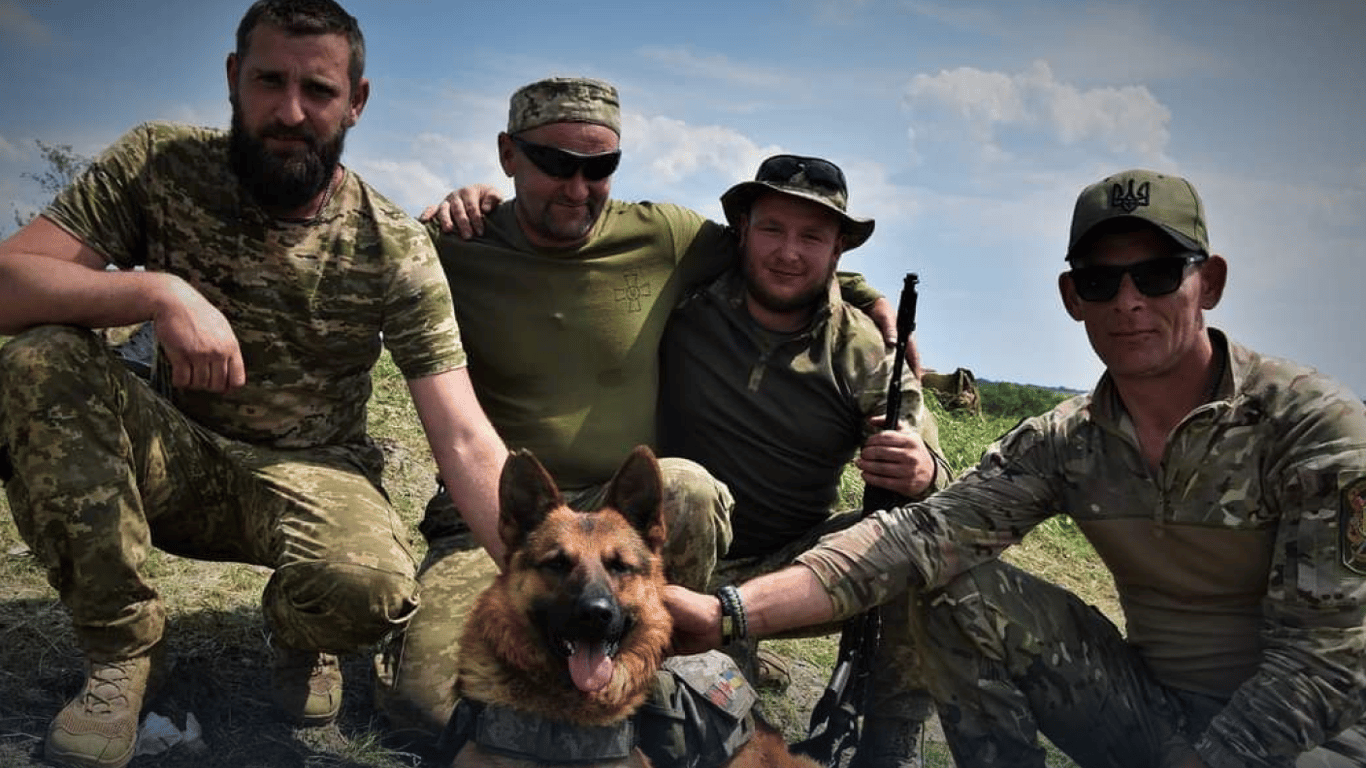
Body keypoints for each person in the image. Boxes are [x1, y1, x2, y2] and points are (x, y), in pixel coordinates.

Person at [665, 169, 1366, 768]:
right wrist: (723, 615)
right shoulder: (1069, 439)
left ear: (1207, 283)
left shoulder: (1310, 428)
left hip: (1317, 739)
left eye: (1156, 275)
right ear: (1072, 297)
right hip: (1150, 716)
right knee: (947, 577)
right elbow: (916, 539)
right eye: (1101, 280)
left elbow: (1326, 661)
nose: (1127, 302)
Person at [0, 2, 508, 767]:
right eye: (270, 80)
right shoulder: (159, 164)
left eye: (320, 90)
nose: (291, 111)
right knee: (40, 358)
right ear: (235, 79)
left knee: (369, 585)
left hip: (317, 470)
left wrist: (550, 569)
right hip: (174, 457)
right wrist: (156, 291)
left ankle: (295, 631)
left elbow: (462, 432)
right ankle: (124, 654)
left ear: (357, 103)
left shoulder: (392, 244)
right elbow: (9, 283)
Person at [374, 76, 898, 746]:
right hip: (492, 516)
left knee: (688, 487)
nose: (577, 187)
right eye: (555, 164)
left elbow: (777, 256)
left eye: (600, 168)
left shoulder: (663, 237)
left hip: (618, 522)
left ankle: (702, 683)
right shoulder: (454, 244)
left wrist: (864, 291)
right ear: (508, 155)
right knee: (429, 713)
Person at [658, 153, 952, 768]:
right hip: (677, 557)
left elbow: (939, 475)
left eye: (812, 236)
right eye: (772, 230)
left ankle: (892, 738)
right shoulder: (684, 300)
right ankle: (690, 673)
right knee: (681, 485)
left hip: (795, 577)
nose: (789, 253)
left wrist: (922, 470)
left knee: (919, 541)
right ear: (742, 230)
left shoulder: (862, 348)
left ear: (839, 248)